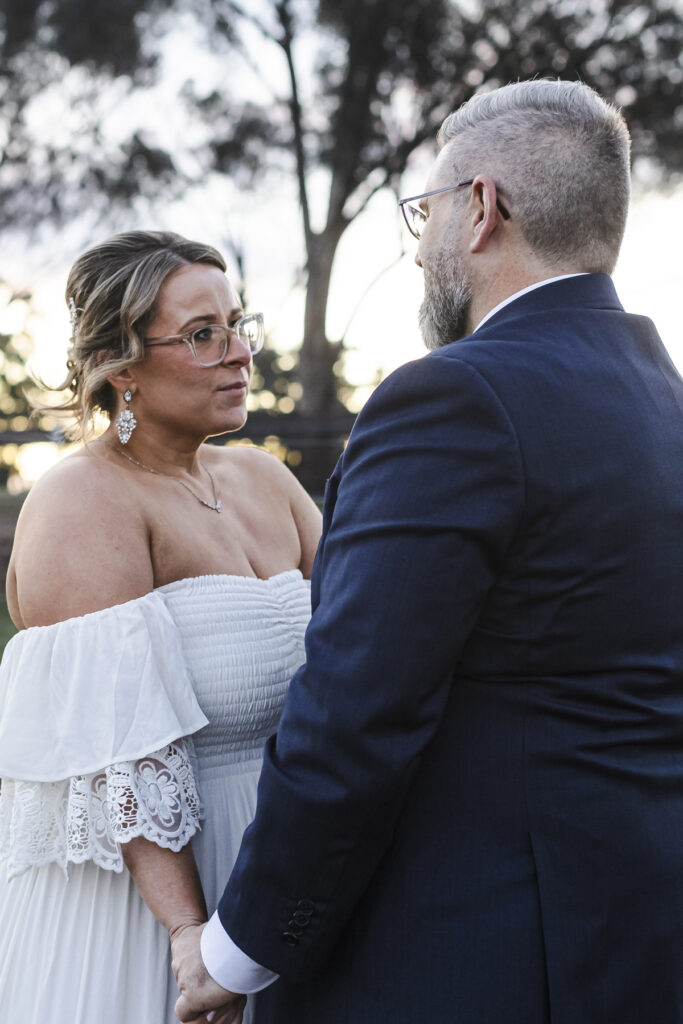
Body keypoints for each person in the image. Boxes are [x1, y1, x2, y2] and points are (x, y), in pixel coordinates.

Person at [173, 79, 683, 1024]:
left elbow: (355, 714)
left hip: (468, 952)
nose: (419, 249)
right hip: (631, 932)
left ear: (483, 209)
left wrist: (237, 949)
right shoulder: (660, 397)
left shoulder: (453, 399)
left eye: (427, 211)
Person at [0, 230, 321, 1024]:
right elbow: (123, 753)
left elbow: (362, 640)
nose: (238, 352)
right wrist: (191, 935)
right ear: (122, 366)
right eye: (201, 334)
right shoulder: (83, 501)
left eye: (238, 323)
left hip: (281, 878)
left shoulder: (264, 479)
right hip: (159, 901)